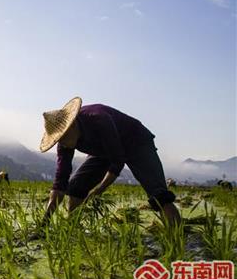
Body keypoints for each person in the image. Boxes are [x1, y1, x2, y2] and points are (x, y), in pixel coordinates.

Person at [40, 97, 180, 226]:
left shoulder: (98, 119)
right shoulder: (64, 143)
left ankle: (177, 240)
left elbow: (117, 160)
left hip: (136, 142)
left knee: (159, 196)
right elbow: (60, 180)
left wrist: (99, 190)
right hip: (103, 150)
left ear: (72, 126)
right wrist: (44, 222)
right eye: (58, 140)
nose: (62, 143)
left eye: (63, 138)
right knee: (76, 186)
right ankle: (72, 227)